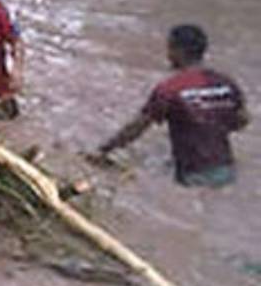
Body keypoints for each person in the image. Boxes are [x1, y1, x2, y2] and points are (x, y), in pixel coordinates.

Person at [95, 25, 248, 187]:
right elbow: (242, 121)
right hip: (227, 171)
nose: (168, 55)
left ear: (178, 51)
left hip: (194, 175)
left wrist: (104, 149)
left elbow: (136, 127)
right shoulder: (226, 83)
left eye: (169, 48)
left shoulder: (170, 89)